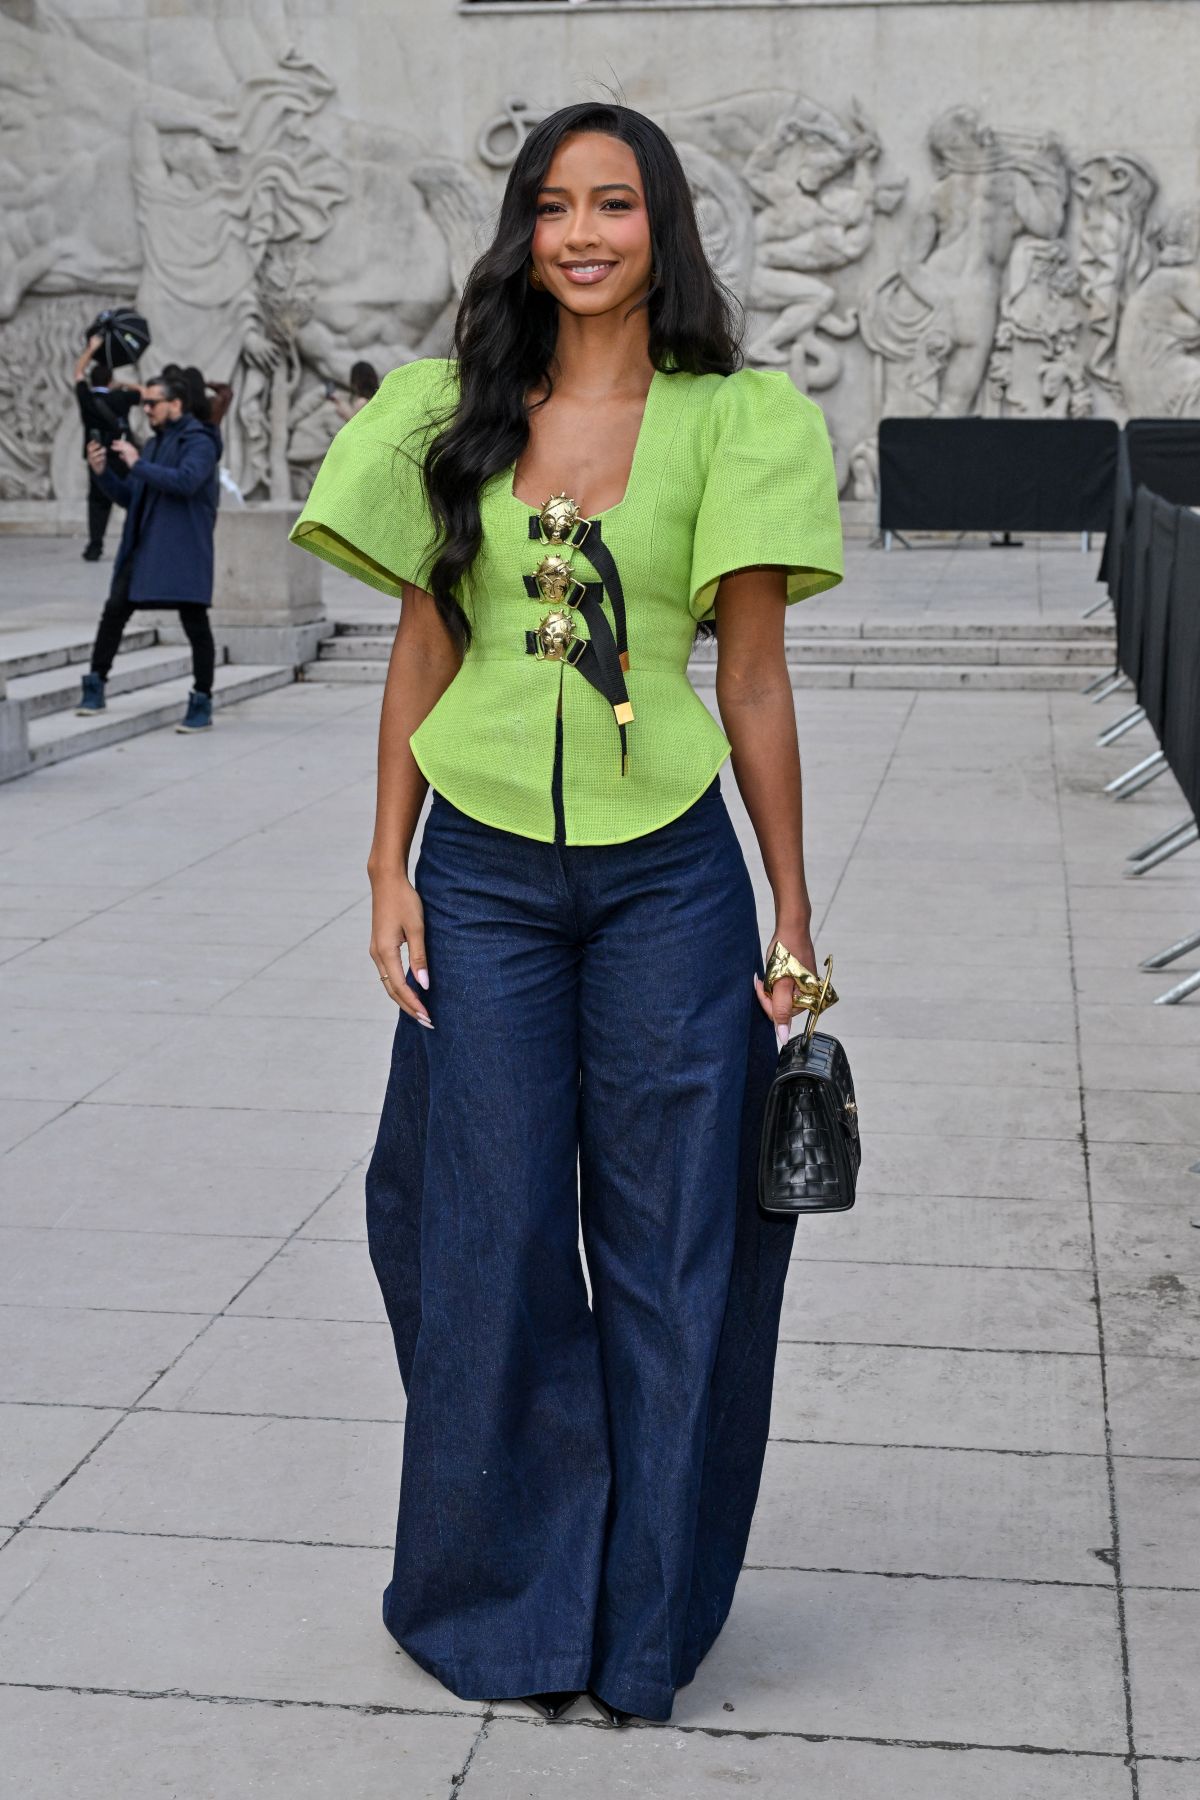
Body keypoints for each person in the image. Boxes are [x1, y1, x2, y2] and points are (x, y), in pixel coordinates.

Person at [291, 102, 843, 1726]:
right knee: (481, 1237)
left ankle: (642, 1620)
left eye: (615, 204)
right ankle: (513, 1608)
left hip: (669, 877)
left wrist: (792, 917)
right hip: (480, 884)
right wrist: (387, 866)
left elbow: (751, 678)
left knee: (680, 1253)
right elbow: (421, 650)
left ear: (662, 225)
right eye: (554, 204)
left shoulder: (739, 421)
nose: (584, 232)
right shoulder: (442, 416)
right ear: (523, 228)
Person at [78, 372, 223, 733]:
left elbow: (186, 481)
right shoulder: (157, 443)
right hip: (145, 549)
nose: (146, 409)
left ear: (176, 404)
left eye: (153, 403)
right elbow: (134, 496)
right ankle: (95, 684)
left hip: (183, 549)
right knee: (114, 611)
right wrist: (102, 474)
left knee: (195, 624)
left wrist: (137, 462)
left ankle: (201, 699)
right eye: (144, 403)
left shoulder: (199, 441)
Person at [73, 333, 139, 561]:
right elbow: (146, 393)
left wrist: (91, 349)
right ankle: (136, 540)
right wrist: (123, 385)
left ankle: (95, 546)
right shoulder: (121, 398)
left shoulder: (86, 398)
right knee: (132, 497)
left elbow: (78, 372)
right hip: (122, 454)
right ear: (110, 380)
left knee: (98, 502)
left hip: (97, 455)